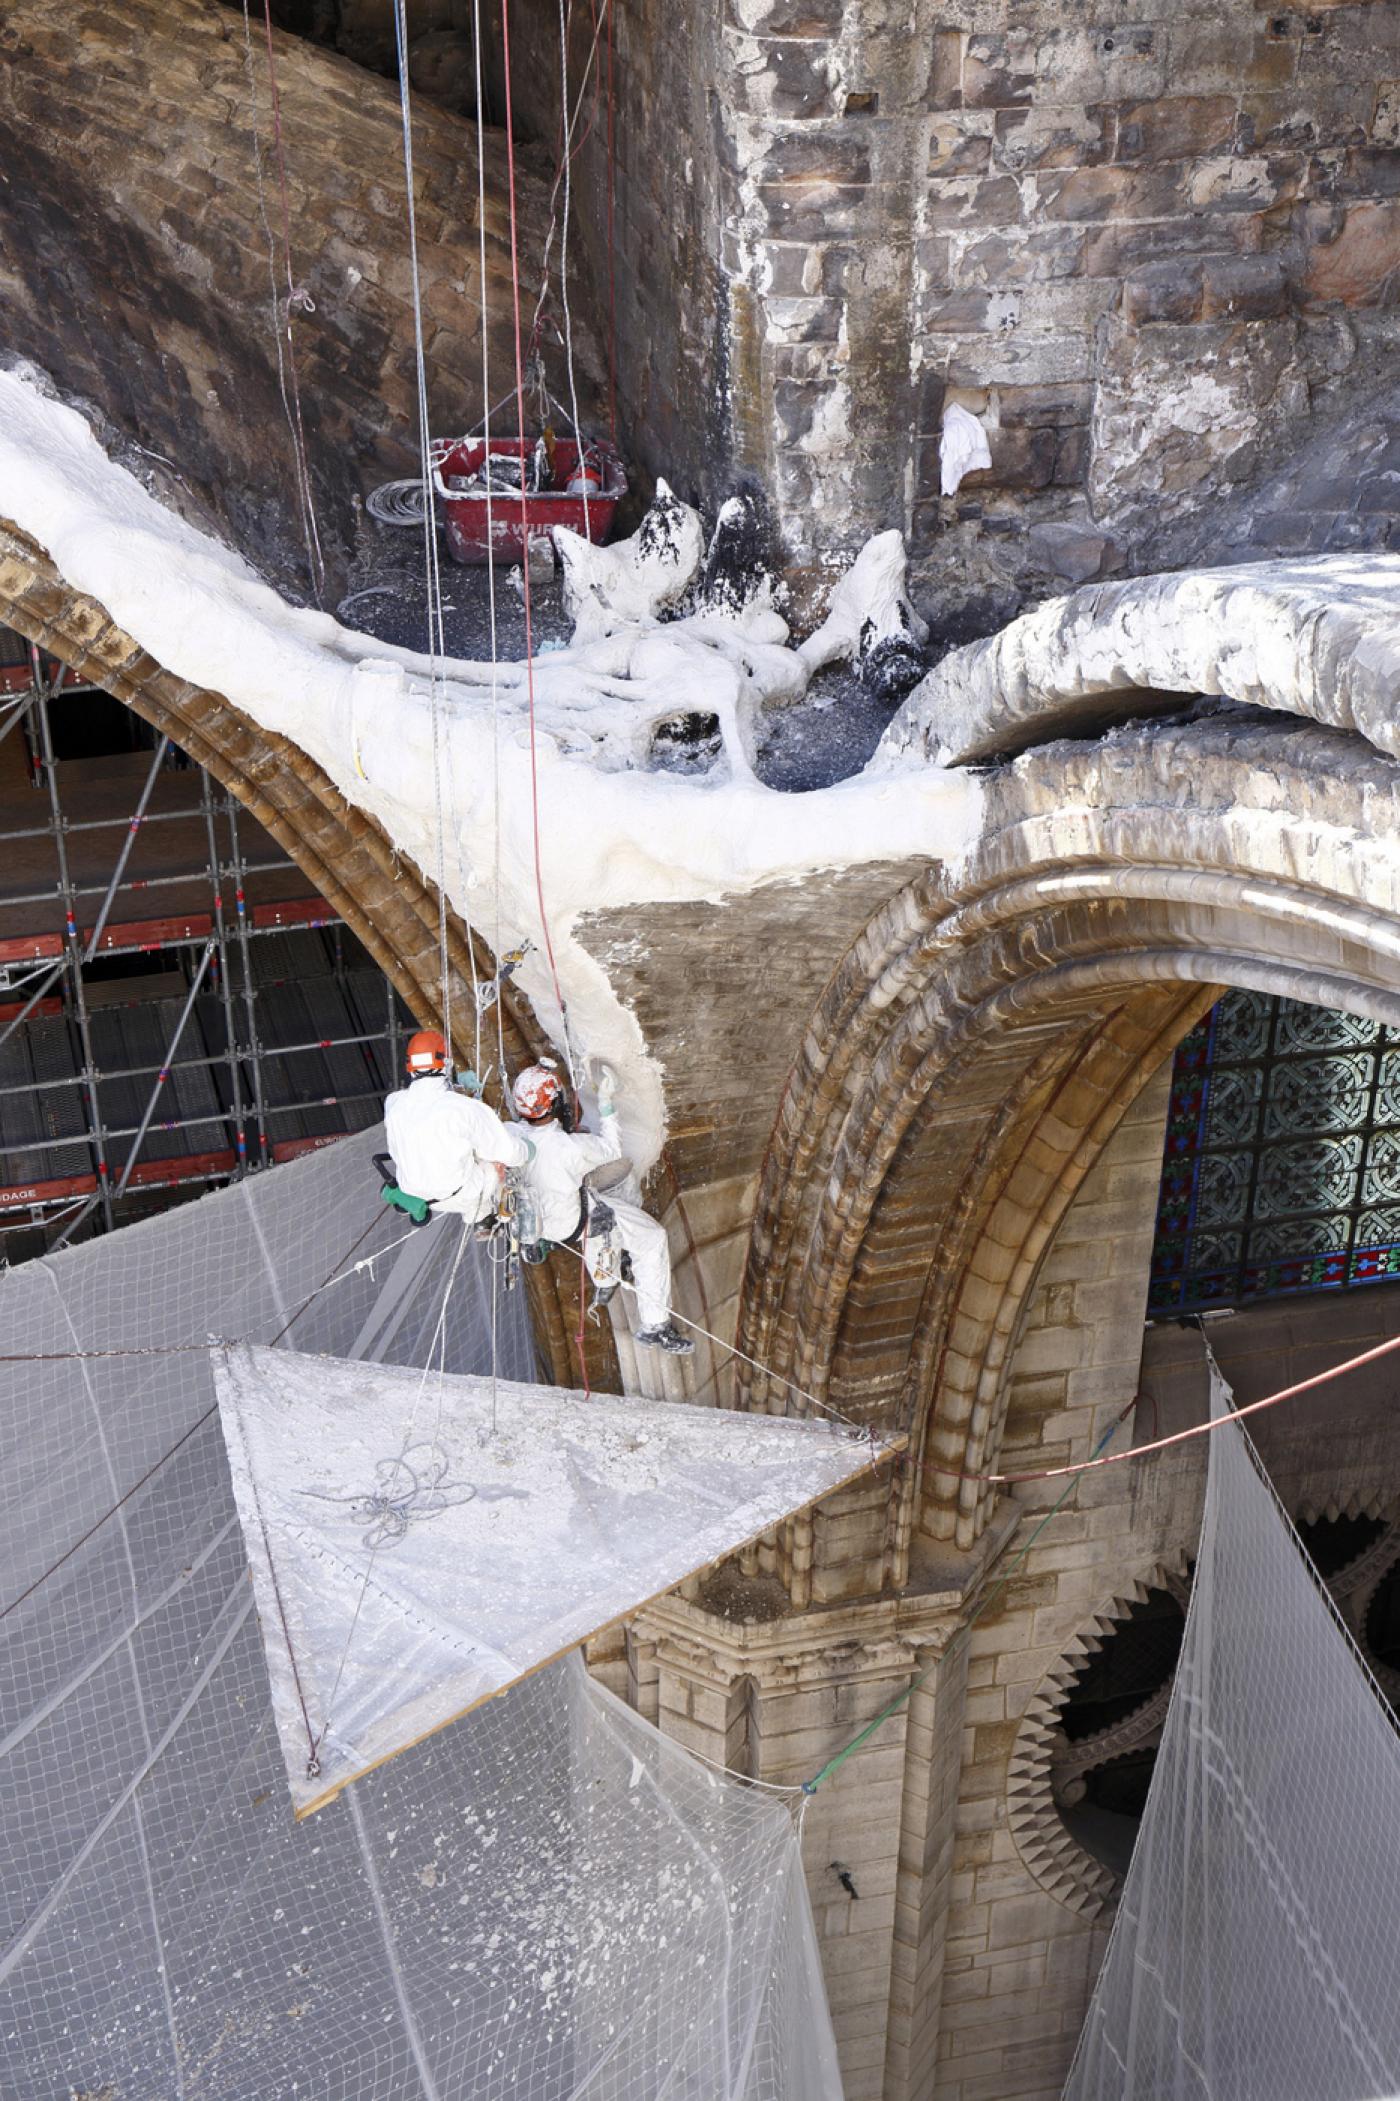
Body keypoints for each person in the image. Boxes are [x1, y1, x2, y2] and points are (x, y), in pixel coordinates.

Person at [512, 1061, 694, 1356]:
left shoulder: (510, 1135)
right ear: (554, 1102)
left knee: (619, 1188)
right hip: (579, 1217)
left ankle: (611, 1271)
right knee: (651, 1238)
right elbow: (610, 1148)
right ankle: (655, 1325)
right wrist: (606, 1103)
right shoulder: (569, 1148)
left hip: (539, 1221)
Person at [383, 1029, 531, 1224]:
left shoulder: (393, 1103)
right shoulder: (464, 1109)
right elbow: (507, 1151)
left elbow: (427, 1108)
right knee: (497, 1154)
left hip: (420, 1196)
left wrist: (455, 1085)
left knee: (453, 1151)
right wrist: (527, 1150)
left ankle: (479, 1218)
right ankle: (485, 1216)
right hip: (461, 1194)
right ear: (447, 1062)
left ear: (410, 1066)